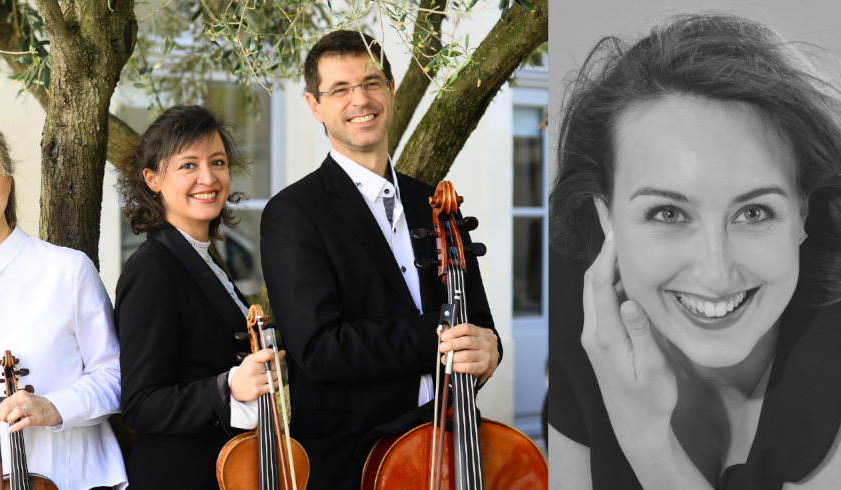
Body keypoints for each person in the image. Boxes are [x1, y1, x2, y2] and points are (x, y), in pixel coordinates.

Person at [548, 13, 841, 489]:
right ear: (606, 216)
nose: (717, 273)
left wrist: (646, 441)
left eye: (754, 213)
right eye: (667, 213)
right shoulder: (571, 312)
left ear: (803, 212)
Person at [259, 30, 502, 489]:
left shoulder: (433, 201)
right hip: (356, 460)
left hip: (451, 446)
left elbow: (478, 321)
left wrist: (490, 348)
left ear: (390, 90)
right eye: (340, 89)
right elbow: (320, 349)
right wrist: (441, 337)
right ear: (315, 106)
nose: (360, 99)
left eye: (372, 82)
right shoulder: (293, 214)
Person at [0, 118, 127, 490]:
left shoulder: (67, 270)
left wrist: (56, 406)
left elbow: (116, 374)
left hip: (68, 479)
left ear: (8, 181)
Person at [114, 104, 284, 489]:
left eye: (218, 162)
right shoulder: (152, 270)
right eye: (188, 165)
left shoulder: (202, 259)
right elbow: (140, 405)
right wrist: (227, 388)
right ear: (153, 178)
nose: (208, 177)